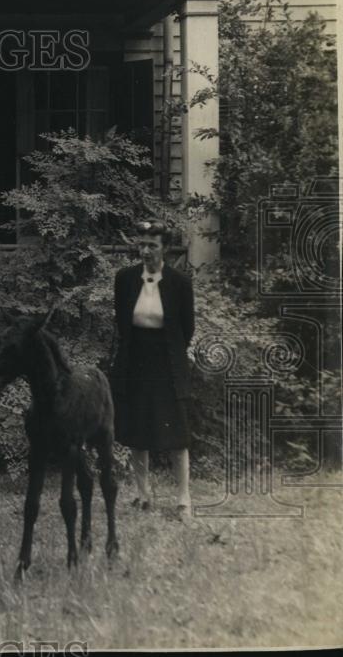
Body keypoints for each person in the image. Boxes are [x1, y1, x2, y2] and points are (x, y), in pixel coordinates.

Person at [110, 220, 195, 516]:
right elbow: (122, 322)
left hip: (168, 362)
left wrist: (169, 352)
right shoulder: (124, 279)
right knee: (137, 431)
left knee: (178, 434)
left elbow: (187, 329)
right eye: (141, 244)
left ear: (166, 249)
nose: (145, 251)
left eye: (152, 246)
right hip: (136, 360)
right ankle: (142, 495)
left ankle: (183, 499)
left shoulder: (180, 283)